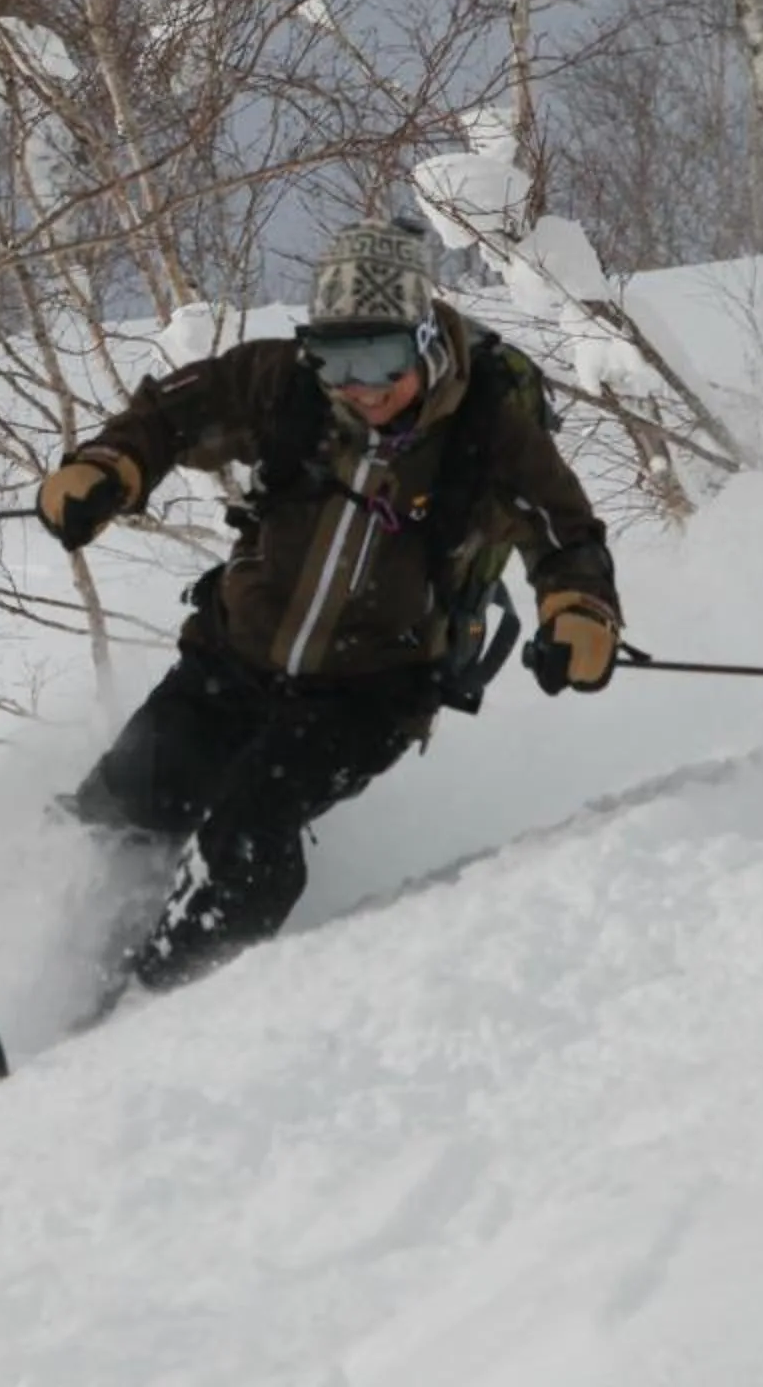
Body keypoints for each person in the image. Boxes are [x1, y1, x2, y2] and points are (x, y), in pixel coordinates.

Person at [36, 216, 624, 992]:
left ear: (425, 341)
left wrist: (577, 612)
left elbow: (565, 534)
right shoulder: (282, 385)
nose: (363, 387)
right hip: (232, 658)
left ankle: (167, 998)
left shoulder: (489, 430)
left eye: (382, 358)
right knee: (116, 816)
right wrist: (109, 467)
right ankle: (43, 976)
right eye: (339, 360)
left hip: (370, 691)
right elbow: (169, 417)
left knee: (249, 826)